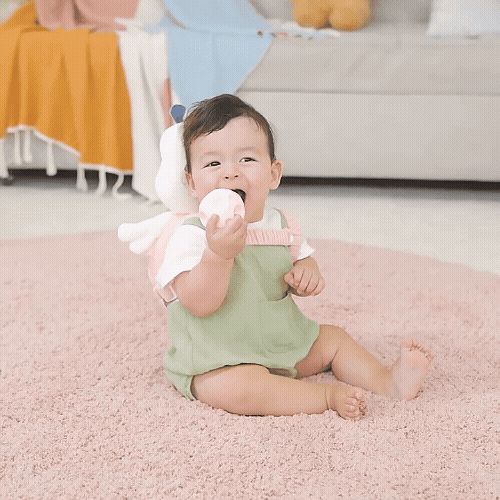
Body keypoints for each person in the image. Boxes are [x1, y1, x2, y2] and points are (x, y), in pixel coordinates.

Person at [156, 94, 434, 420]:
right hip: (218, 358)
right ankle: (325, 396)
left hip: (279, 341)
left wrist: (306, 272)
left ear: (273, 174)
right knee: (244, 389)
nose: (230, 173)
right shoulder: (191, 235)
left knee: (333, 339)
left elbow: (302, 259)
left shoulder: (282, 226)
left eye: (246, 159)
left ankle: (389, 381)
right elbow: (197, 303)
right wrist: (218, 255)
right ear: (192, 183)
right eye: (213, 164)